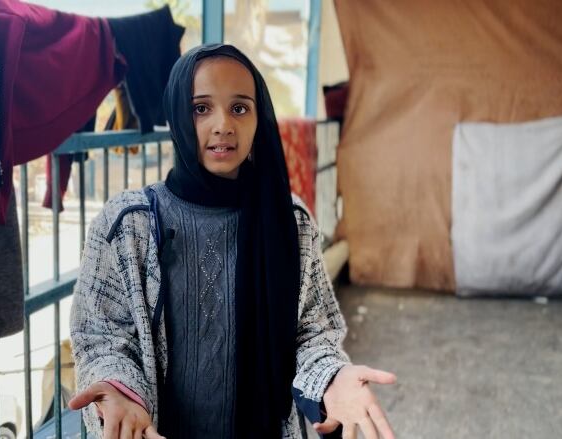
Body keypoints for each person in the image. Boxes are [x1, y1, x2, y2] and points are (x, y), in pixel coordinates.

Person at [68, 43, 396, 439]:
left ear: (260, 119)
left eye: (240, 108)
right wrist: (120, 394)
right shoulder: (129, 224)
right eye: (201, 108)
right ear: (176, 114)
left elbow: (312, 332)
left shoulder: (288, 221)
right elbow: (102, 337)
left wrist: (333, 378)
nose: (223, 124)